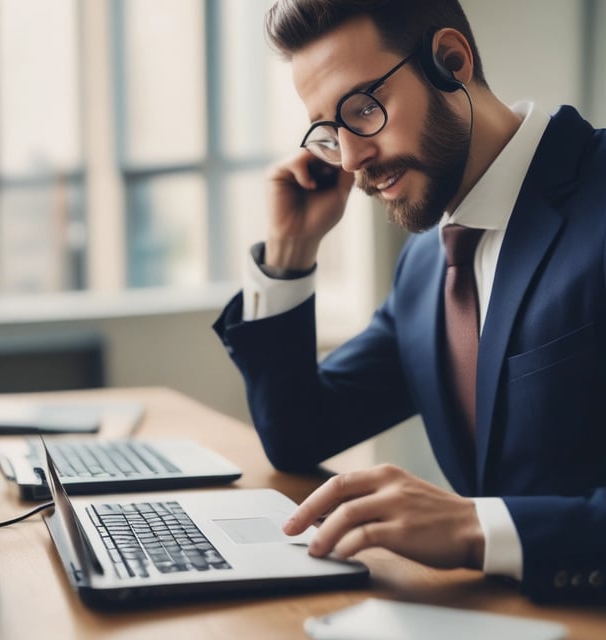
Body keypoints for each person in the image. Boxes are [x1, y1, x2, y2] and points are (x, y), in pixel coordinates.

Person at [213, 0, 606, 604]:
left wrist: (478, 529)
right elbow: (298, 434)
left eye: (363, 109)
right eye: (329, 133)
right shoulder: (427, 267)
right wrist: (290, 252)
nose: (350, 159)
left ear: (451, 60)